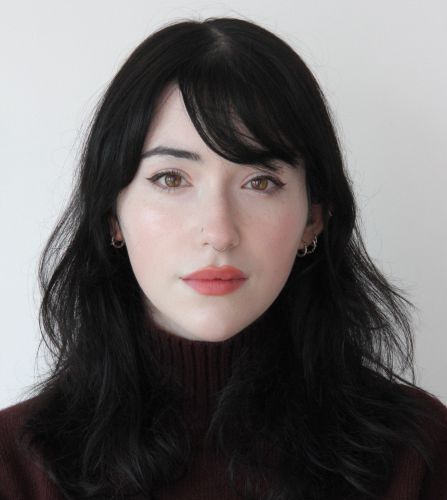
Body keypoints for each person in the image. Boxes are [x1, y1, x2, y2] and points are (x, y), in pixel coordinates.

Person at [0, 16, 446, 500]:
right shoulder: (17, 465)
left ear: (313, 219)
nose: (219, 233)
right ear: (112, 215)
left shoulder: (417, 452)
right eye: (171, 179)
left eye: (260, 182)